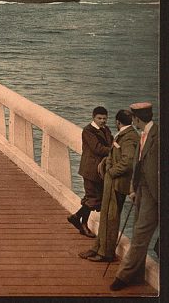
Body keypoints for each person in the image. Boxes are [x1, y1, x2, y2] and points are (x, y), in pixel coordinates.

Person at [110, 102, 159, 291]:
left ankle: (123, 276)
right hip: (142, 191)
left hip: (154, 195)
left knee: (139, 235)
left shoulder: (158, 136)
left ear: (137, 118)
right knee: (140, 234)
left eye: (133, 118)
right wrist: (133, 189)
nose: (133, 121)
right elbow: (138, 166)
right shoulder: (143, 135)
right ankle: (137, 275)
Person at [78, 109, 139, 262]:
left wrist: (111, 172)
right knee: (105, 216)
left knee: (110, 218)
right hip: (111, 181)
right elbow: (113, 153)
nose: (104, 121)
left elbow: (127, 162)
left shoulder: (129, 137)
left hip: (117, 182)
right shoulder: (124, 135)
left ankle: (106, 253)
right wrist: (107, 162)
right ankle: (97, 248)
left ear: (117, 122)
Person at [67, 106, 112, 237]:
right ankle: (80, 221)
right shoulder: (88, 131)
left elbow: (112, 142)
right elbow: (97, 148)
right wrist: (115, 150)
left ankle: (79, 220)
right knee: (93, 199)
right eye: (99, 118)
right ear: (93, 117)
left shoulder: (106, 130)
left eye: (105, 118)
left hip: (99, 171)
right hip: (90, 170)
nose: (102, 121)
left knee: (91, 198)